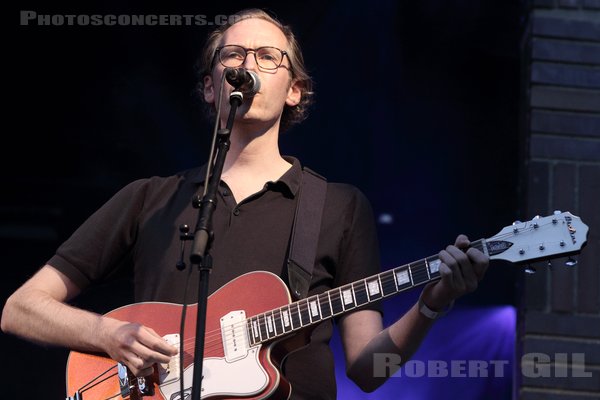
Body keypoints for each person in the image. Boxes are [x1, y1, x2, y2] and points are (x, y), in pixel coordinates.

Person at [1, 8, 489, 399]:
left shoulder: (339, 207)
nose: (247, 66)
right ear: (212, 87)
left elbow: (367, 369)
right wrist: (109, 335)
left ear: (295, 90)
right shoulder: (151, 197)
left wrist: (433, 302)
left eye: (266, 57)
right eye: (233, 55)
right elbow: (21, 308)